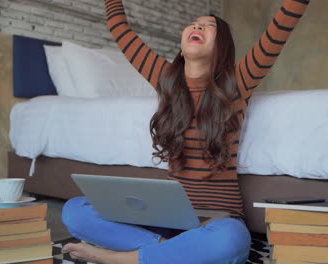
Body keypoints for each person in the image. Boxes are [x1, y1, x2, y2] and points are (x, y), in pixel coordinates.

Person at [61, 0, 310, 263]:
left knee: (232, 240)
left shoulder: (237, 83)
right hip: (166, 221)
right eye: (193, 24)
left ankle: (117, 258)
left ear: (222, 45)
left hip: (219, 220)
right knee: (74, 211)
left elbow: (280, 27)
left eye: (208, 26)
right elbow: (121, 30)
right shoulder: (165, 79)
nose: (197, 26)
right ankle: (172, 251)